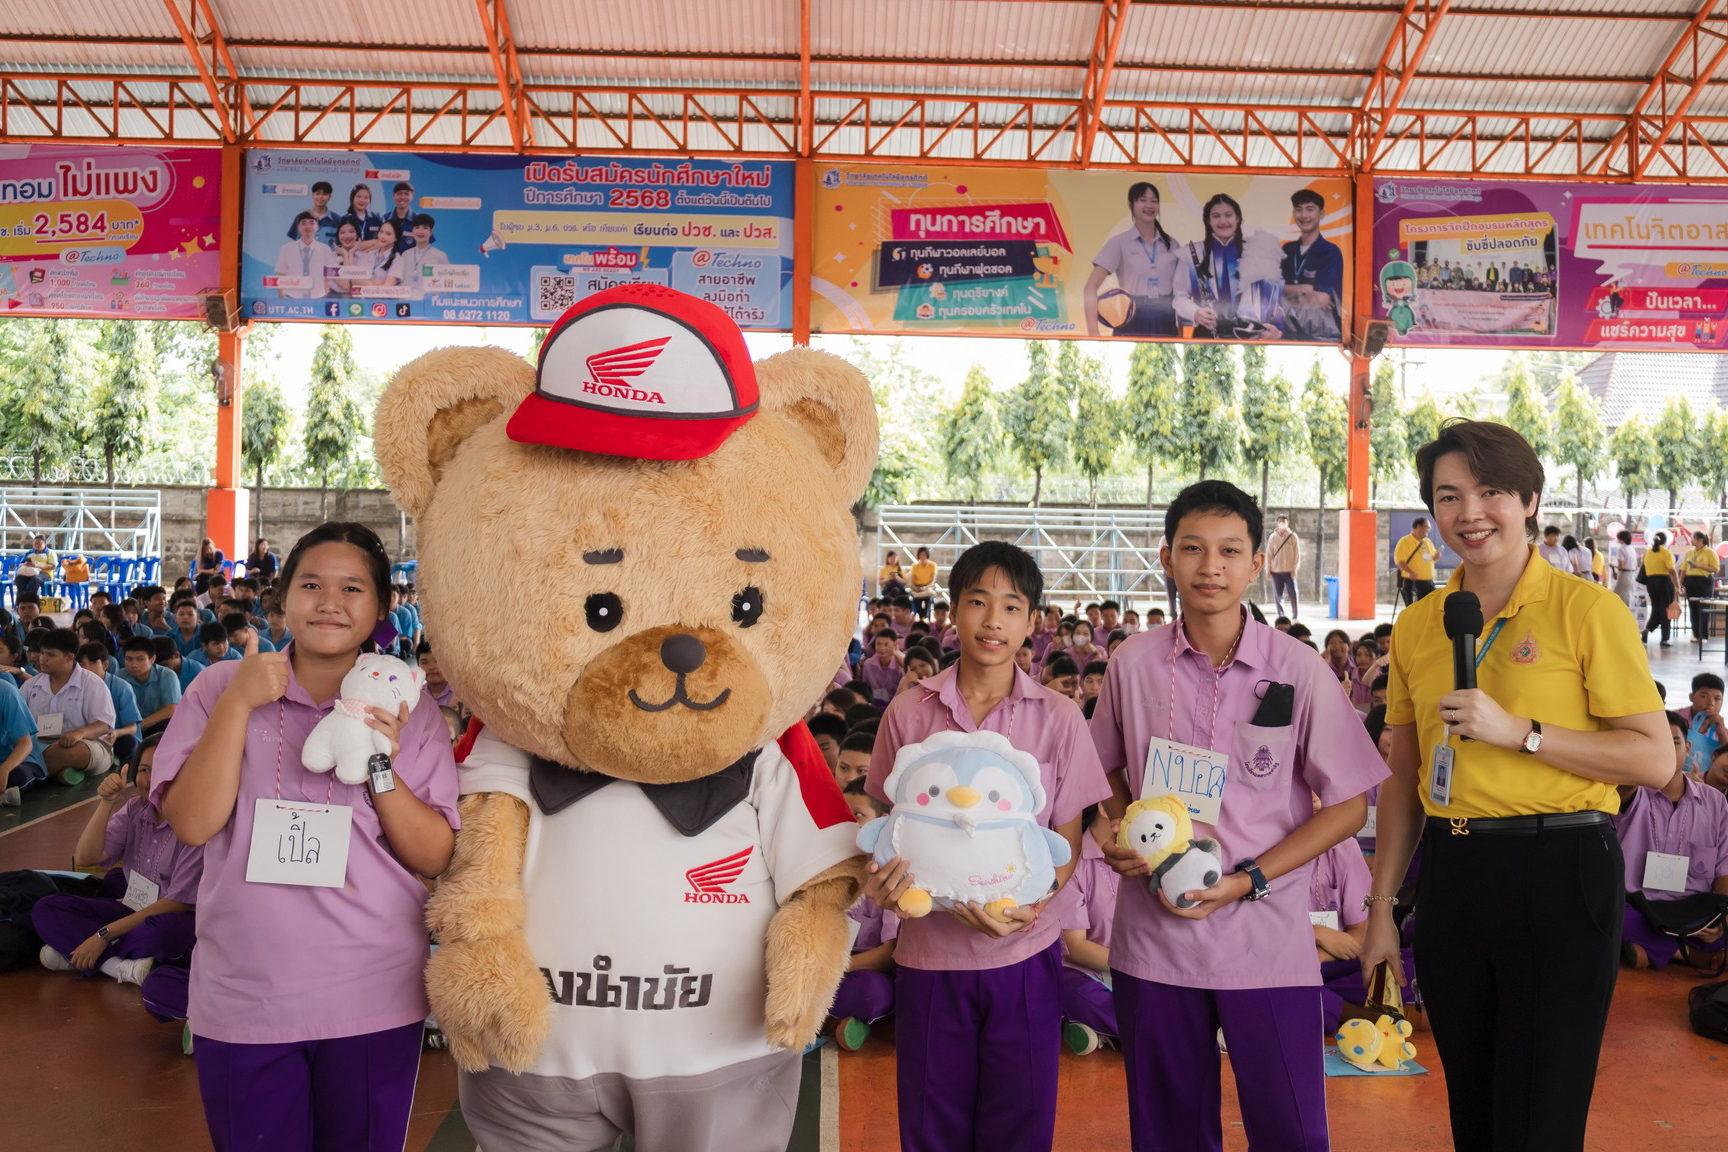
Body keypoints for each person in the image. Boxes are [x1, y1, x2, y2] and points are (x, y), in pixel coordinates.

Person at [1362, 419, 1672, 1152]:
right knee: (1473, 1110)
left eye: (1490, 491)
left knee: (1540, 1120)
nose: (1470, 513)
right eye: (1448, 496)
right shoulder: (1418, 625)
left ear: (1528, 499)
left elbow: (1655, 760)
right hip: (1453, 876)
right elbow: (1404, 781)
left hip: (1560, 871)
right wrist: (1381, 908)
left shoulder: (1587, 610)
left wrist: (1524, 733)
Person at [1091, 479, 1385, 1152]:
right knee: (1167, 1134)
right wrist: (1118, 829)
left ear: (1259, 563)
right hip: (1154, 945)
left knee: (1291, 1131)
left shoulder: (1297, 670)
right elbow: (1102, 769)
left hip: (1266, 943)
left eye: (1229, 550)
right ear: (1167, 559)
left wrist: (1250, 877)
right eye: (1192, 549)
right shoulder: (1133, 664)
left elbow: (1346, 806)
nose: (1210, 567)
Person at [152, 522, 459, 1152]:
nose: (329, 601)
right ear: (282, 598)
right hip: (244, 993)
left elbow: (433, 854)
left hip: (372, 991)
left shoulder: (408, 703)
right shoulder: (217, 689)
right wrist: (239, 705)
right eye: (311, 584)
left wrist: (381, 762)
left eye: (353, 588)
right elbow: (192, 822)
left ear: (379, 608)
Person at [864, 541, 1110, 1152]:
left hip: (1023, 954)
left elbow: (1069, 839)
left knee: (1020, 1120)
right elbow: (886, 819)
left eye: (1011, 606)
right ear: (953, 611)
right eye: (977, 602)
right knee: (931, 1120)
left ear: (1033, 621)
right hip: (927, 957)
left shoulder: (1059, 717)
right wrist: (887, 884)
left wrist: (1035, 905)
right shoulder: (909, 711)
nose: (993, 621)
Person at [32, 735, 200, 987]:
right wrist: (106, 803)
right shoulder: (134, 809)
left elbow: (175, 905)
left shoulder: (195, 823)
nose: (152, 778)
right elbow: (86, 857)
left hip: (171, 917)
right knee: (46, 909)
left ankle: (81, 950)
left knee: (160, 933)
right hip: (132, 907)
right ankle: (117, 966)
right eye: (144, 770)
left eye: (164, 768)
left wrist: (103, 935)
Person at [1616, 711, 1728, 971]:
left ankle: (1651, 949)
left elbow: (1723, 866)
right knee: (1609, 914)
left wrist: (1723, 917)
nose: (1664, 751)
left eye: (1674, 743)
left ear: (1687, 748)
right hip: (1638, 904)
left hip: (1693, 908)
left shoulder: (1714, 802)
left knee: (1722, 928)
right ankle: (1684, 952)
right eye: (1655, 744)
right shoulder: (1629, 792)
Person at [830, 779, 899, 1051]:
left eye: (857, 815)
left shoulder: (890, 873)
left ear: (881, 823)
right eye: (841, 814)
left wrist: (833, 969)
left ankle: (823, 1020)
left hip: (862, 970)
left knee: (874, 993)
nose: (846, 824)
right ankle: (835, 1021)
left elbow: (889, 952)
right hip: (821, 964)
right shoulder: (827, 864)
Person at [1173, 194, 1285, 340]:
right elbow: (1179, 297)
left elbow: (1272, 298)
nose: (1223, 221)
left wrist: (1278, 330)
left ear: (1237, 218)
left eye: (1228, 215)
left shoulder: (1256, 251)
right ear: (1208, 220)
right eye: (1216, 216)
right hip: (1206, 336)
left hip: (1249, 337)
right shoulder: (1191, 252)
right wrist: (1195, 312)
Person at [1059, 806, 1119, 1055]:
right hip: (1085, 972)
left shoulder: (1145, 853)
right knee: (1085, 997)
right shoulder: (1072, 863)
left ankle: (1101, 1033)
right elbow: (1076, 948)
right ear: (1106, 807)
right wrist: (1131, 965)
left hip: (1135, 969)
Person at [1086, 181, 1181, 337]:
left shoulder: (1172, 244)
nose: (1149, 205)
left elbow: (1182, 290)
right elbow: (1090, 288)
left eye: (1154, 200)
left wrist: (1181, 329)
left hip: (1166, 318)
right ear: (1131, 205)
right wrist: (1093, 332)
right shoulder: (1119, 243)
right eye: (1142, 200)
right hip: (1130, 318)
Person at [24, 627, 115, 786]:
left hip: (86, 743)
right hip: (39, 745)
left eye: (50, 655)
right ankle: (59, 773)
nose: (42, 659)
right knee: (23, 750)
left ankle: (26, 778)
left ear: (69, 657)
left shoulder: (92, 683)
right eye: (43, 653)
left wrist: (79, 733)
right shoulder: (31, 685)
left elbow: (104, 725)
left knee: (75, 753)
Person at [1279, 188, 1344, 342]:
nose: (1304, 215)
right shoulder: (1287, 250)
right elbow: (1273, 291)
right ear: (1293, 214)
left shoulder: (1330, 252)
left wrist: (1287, 292)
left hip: (1323, 335)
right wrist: (1304, 289)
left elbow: (1321, 299)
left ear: (1321, 214)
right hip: (1287, 333)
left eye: (1310, 209)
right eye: (1298, 209)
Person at [121, 634, 180, 738]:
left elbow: (171, 709)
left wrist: (139, 726)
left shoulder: (166, 675)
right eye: (129, 659)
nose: (134, 664)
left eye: (140, 659)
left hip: (157, 725)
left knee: (169, 724)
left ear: (152, 659)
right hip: (130, 727)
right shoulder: (119, 677)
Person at [274, 211, 334, 299]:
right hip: (292, 298)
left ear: (317, 227)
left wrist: (325, 296)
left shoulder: (325, 249)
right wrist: (282, 297)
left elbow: (329, 277)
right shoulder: (287, 248)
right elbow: (281, 274)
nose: (308, 226)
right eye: (304, 223)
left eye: (311, 223)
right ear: (298, 227)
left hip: (318, 298)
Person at [395, 214, 449, 300]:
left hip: (428, 306)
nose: (420, 231)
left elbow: (447, 288)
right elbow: (399, 282)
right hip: (406, 305)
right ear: (412, 230)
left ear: (431, 232)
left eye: (425, 228)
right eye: (417, 227)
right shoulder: (405, 254)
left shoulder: (440, 256)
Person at [1682, 530, 1721, 642]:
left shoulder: (1710, 553)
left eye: (1693, 538)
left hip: (1704, 582)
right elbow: (1683, 570)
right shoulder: (1689, 552)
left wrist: (1699, 566)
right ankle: (1695, 634)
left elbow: (1715, 569)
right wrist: (1679, 584)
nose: (1691, 540)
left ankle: (1703, 635)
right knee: (1693, 608)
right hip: (1690, 581)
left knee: (1703, 608)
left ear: (1700, 540)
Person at [1642, 531, 1679, 647]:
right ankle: (1665, 639)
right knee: (1665, 611)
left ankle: (1647, 629)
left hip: (1651, 583)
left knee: (1656, 608)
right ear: (1665, 541)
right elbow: (1672, 570)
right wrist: (1678, 586)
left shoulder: (1648, 553)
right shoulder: (1666, 553)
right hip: (1664, 583)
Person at [1395, 516, 1440, 605]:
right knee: (1415, 609)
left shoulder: (1427, 542)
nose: (1428, 530)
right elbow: (1400, 561)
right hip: (1413, 582)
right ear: (1418, 527)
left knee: (1430, 607)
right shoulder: (1405, 541)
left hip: (1428, 582)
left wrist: (1436, 557)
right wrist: (1410, 572)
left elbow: (1432, 558)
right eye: (1427, 527)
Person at [284, 180, 341, 247]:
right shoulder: (300, 218)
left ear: (329, 197)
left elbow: (340, 243)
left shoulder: (337, 219)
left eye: (325, 194)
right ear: (312, 196)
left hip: (328, 257)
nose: (320, 197)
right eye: (317, 193)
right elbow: (293, 242)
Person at [1266, 513, 1301, 618]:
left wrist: (1295, 569)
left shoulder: (1293, 537)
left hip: (1289, 571)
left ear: (1287, 523)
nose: (1282, 523)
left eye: (1284, 521)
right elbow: (1269, 554)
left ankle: (1295, 616)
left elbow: (1297, 555)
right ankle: (1281, 616)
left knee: (1293, 594)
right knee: (1278, 596)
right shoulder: (1272, 537)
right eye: (1280, 521)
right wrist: (1268, 570)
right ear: (1277, 523)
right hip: (1276, 571)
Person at [341, 182, 383, 252]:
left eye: (366, 197)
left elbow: (385, 242)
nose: (362, 200)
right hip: (352, 260)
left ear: (369, 200)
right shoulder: (345, 219)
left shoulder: (377, 218)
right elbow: (347, 245)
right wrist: (375, 241)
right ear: (352, 198)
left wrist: (363, 252)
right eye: (359, 196)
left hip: (373, 259)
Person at [908, 546, 939, 620]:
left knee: (928, 597)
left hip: (927, 587)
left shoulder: (932, 565)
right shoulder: (915, 566)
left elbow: (932, 581)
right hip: (918, 587)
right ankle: (922, 617)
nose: (922, 557)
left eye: (924, 555)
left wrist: (925, 587)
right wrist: (916, 588)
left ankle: (925, 616)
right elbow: (912, 581)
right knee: (917, 601)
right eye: (921, 555)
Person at [1611, 528, 1639, 608]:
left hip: (1624, 575)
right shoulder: (1632, 549)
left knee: (1619, 596)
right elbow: (1636, 565)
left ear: (1621, 539)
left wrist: (1612, 564)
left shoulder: (1621, 549)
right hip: (1632, 575)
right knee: (1628, 597)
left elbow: (1621, 566)